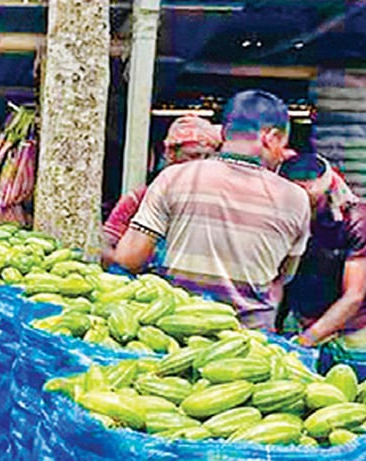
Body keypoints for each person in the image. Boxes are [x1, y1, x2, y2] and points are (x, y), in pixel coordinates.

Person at [105, 90, 310, 331]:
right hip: (249, 344)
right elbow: (284, 275)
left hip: (179, 330)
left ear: (223, 132)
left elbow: (129, 259)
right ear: (271, 137)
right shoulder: (295, 199)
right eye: (283, 145)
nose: (282, 155)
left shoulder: (174, 177)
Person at [276, 153, 366, 379]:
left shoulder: (358, 221)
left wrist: (306, 341)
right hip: (299, 319)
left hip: (352, 330)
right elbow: (277, 279)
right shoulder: (281, 216)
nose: (303, 208)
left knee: (356, 402)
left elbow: (354, 296)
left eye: (310, 201)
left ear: (326, 191)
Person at [102, 115, 222, 251]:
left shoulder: (215, 201)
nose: (201, 163)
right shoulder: (140, 198)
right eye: (193, 156)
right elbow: (108, 240)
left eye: (207, 157)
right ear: (171, 154)